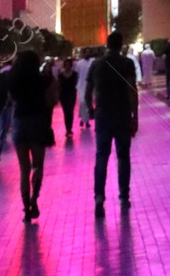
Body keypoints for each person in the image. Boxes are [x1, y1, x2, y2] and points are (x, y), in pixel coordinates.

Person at [89, 33, 139, 215]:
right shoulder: (127, 64)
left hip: (103, 114)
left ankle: (99, 197)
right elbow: (132, 90)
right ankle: (124, 195)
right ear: (121, 45)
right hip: (122, 114)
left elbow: (88, 91)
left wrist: (91, 109)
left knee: (101, 155)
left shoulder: (96, 64)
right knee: (123, 155)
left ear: (106, 45)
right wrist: (135, 116)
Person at [11, 50, 54, 221]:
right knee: (38, 166)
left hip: (19, 124)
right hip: (38, 123)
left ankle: (25, 209)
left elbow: (11, 100)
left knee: (24, 169)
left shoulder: (13, 81)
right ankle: (34, 200)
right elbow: (51, 102)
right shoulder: (44, 80)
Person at [56, 54, 77, 141]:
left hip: (72, 94)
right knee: (66, 112)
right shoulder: (61, 75)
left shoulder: (75, 74)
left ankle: (70, 128)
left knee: (70, 111)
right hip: (63, 95)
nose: (67, 66)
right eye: (66, 64)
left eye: (69, 64)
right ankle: (67, 128)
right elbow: (59, 86)